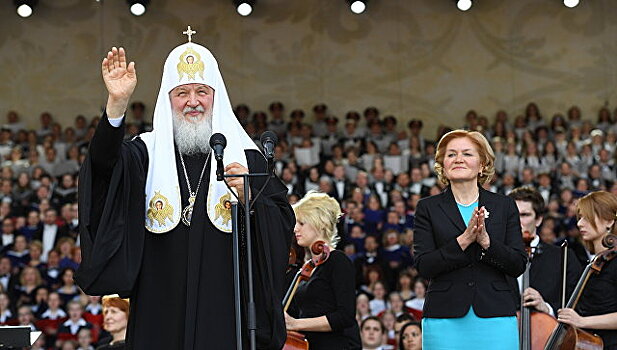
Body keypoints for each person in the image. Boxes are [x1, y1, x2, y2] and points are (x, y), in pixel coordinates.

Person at [75, 34, 294, 349]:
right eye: (182, 93)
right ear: (168, 99)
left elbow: (282, 225)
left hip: (224, 305)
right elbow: (103, 167)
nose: (193, 101)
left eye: (202, 91)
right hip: (159, 302)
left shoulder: (244, 158)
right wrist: (116, 105)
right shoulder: (145, 153)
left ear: (216, 97)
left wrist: (250, 198)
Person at [413, 130, 526, 349]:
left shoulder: (504, 206)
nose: (458, 159)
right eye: (451, 154)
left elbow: (517, 264)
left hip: (496, 318)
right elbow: (424, 265)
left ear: (482, 164)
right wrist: (463, 240)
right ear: (443, 164)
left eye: (467, 153)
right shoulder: (427, 207)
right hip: (444, 318)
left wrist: (486, 242)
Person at [284, 192, 359, 349]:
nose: (295, 229)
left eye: (302, 223)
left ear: (319, 224)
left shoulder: (337, 261)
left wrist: (295, 323)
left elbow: (345, 316)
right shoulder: (308, 268)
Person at [507, 186, 582, 316]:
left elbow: (578, 304)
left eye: (524, 215)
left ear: (538, 219)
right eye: (512, 215)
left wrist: (547, 308)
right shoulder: (493, 257)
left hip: (547, 333)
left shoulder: (563, 257)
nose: (518, 221)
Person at [557, 191, 617, 349]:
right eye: (579, 217)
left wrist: (582, 321)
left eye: (587, 217)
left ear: (609, 221)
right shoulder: (593, 264)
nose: (579, 224)